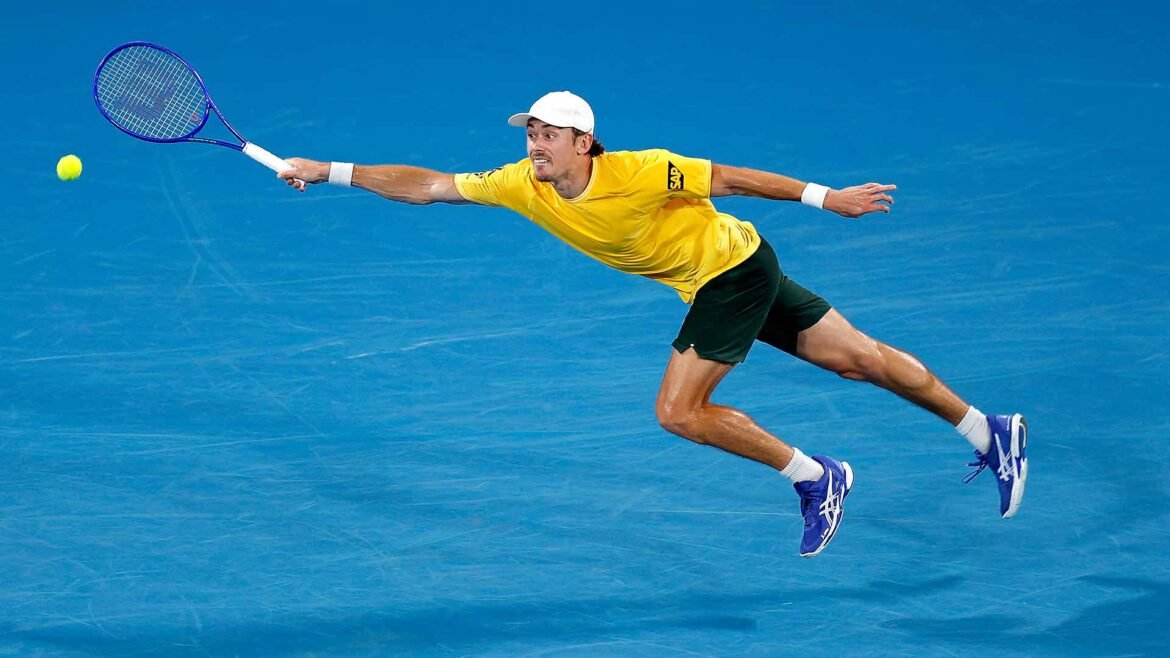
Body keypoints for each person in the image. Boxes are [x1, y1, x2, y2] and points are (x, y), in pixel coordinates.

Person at [278, 91, 1028, 557]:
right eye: (530, 132)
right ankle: (987, 430)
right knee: (858, 359)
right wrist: (329, 170)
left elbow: (728, 178)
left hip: (731, 276)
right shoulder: (519, 184)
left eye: (547, 134)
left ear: (583, 143)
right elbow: (430, 186)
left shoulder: (640, 170)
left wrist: (825, 197)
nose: (534, 144)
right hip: (737, 266)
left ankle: (816, 476)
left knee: (678, 412)